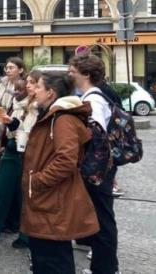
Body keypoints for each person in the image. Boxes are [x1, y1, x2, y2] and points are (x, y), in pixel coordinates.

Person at [21, 72, 99, 274]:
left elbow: (66, 160)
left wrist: (37, 181)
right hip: (46, 199)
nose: (34, 90)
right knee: (45, 257)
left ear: (50, 93)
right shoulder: (51, 115)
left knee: (54, 260)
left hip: (52, 199)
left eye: (38, 87)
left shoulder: (62, 119)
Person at [0, 70, 41, 250]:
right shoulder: (20, 103)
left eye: (30, 83)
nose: (25, 87)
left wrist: (12, 126)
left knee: (21, 195)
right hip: (12, 149)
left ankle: (23, 234)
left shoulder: (37, 107)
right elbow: (19, 128)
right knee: (4, 192)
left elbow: (29, 132)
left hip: (23, 152)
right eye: (25, 83)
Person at [68, 54, 120, 274]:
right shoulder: (92, 96)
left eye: (73, 70)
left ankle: (105, 269)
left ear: (86, 74)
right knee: (101, 217)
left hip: (98, 169)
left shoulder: (93, 100)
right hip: (101, 168)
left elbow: (96, 138)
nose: (69, 73)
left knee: (102, 219)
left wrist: (90, 171)